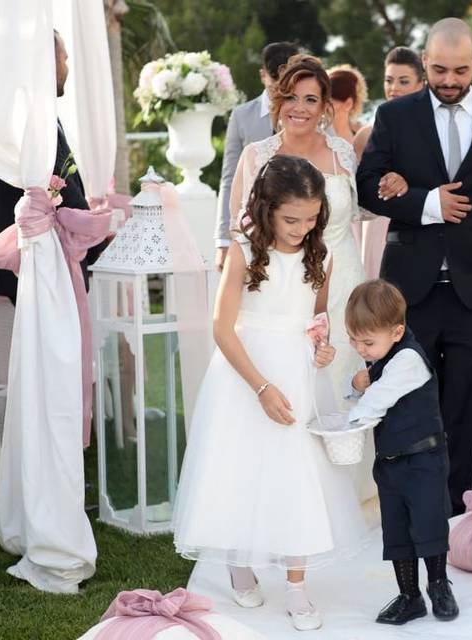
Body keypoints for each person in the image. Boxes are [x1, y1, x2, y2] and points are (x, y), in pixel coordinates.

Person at [172, 155, 367, 632]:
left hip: (297, 375)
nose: (301, 229)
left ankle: (296, 586)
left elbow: (316, 320)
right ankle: (239, 560)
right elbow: (221, 329)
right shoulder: (241, 251)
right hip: (246, 374)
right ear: (265, 209)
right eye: (290, 219)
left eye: (310, 218)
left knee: (298, 474)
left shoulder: (322, 255)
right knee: (244, 469)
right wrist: (260, 386)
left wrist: (322, 348)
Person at [357, 18, 472, 516]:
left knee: (463, 411)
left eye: (459, 70)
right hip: (409, 294)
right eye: (438, 69)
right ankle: (409, 511)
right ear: (423, 61)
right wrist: (426, 203)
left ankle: (456, 520)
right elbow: (368, 187)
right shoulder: (394, 116)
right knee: (407, 405)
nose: (449, 81)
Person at [227, 54, 404, 502]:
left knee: (346, 386)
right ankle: (296, 497)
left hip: (344, 283)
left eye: (311, 98)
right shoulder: (258, 156)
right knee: (298, 388)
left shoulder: (342, 153)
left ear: (327, 105)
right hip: (284, 290)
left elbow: (365, 206)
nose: (300, 107)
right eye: (291, 97)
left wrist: (395, 183)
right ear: (277, 100)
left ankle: (353, 499)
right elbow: (240, 227)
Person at [346, 279, 458, 626]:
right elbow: (364, 393)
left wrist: (346, 424)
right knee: (396, 529)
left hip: (423, 459)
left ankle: (438, 585)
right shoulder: (379, 359)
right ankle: (410, 596)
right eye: (354, 340)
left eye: (367, 342)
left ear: (397, 331)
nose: (360, 348)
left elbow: (377, 402)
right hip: (391, 462)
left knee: (428, 523)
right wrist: (356, 384)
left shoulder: (408, 359)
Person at [0, 31, 102, 303]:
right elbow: (59, 186)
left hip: (41, 256)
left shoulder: (30, 110)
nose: (67, 67)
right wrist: (95, 236)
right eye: (64, 59)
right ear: (47, 62)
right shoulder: (29, 115)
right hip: (35, 258)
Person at [214, 41, 300, 271]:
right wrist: (223, 241)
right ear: (263, 76)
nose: (280, 94)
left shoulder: (309, 114)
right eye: (275, 87)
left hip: (301, 228)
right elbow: (229, 179)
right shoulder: (241, 117)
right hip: (254, 229)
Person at [353, 47, 426, 279]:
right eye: (389, 80)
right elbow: (358, 191)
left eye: (403, 81)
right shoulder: (365, 136)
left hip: (421, 226)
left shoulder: (430, 133)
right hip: (378, 227)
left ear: (421, 83)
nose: (394, 88)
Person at [327, 64, 367, 144]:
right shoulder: (314, 133)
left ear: (348, 104)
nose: (323, 105)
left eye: (330, 102)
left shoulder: (364, 134)